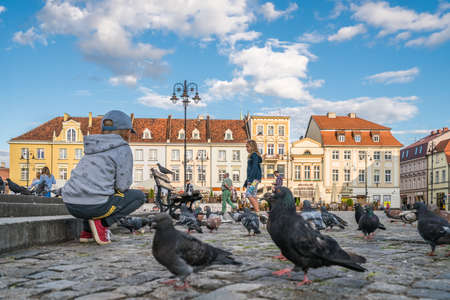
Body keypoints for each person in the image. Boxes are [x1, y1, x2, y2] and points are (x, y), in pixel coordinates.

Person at [60, 110, 146, 245]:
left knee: (92, 189)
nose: (130, 135)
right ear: (125, 131)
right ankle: (103, 224)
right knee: (139, 196)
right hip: (95, 206)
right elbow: (123, 186)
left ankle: (87, 232)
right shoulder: (123, 148)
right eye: (129, 132)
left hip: (71, 205)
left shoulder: (92, 146)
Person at [244, 140, 262, 213]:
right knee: (253, 195)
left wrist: (250, 180)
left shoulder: (254, 155)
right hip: (255, 179)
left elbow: (254, 168)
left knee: (248, 194)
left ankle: (257, 211)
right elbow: (251, 169)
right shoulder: (254, 155)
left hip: (254, 180)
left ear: (252, 147)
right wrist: (247, 181)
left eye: (247, 146)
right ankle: (257, 212)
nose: (246, 148)